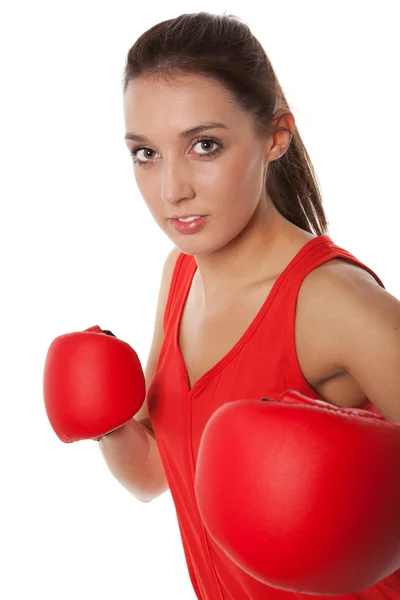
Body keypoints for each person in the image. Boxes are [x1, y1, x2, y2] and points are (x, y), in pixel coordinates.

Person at [47, 11, 400, 600]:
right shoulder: (180, 274)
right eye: (145, 153)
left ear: (275, 137)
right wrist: (107, 421)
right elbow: (158, 474)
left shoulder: (333, 303)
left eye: (203, 145)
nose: (171, 190)